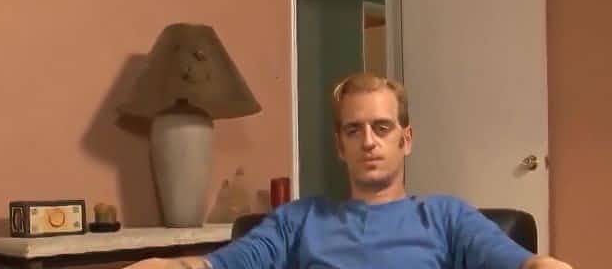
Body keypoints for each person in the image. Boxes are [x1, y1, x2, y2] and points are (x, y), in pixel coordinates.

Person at [113, 72, 573, 269]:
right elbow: (217, 266)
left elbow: (522, 264)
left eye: (382, 127)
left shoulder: (446, 217)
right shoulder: (298, 221)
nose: (368, 141)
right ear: (340, 145)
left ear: (406, 139)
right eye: (354, 130)